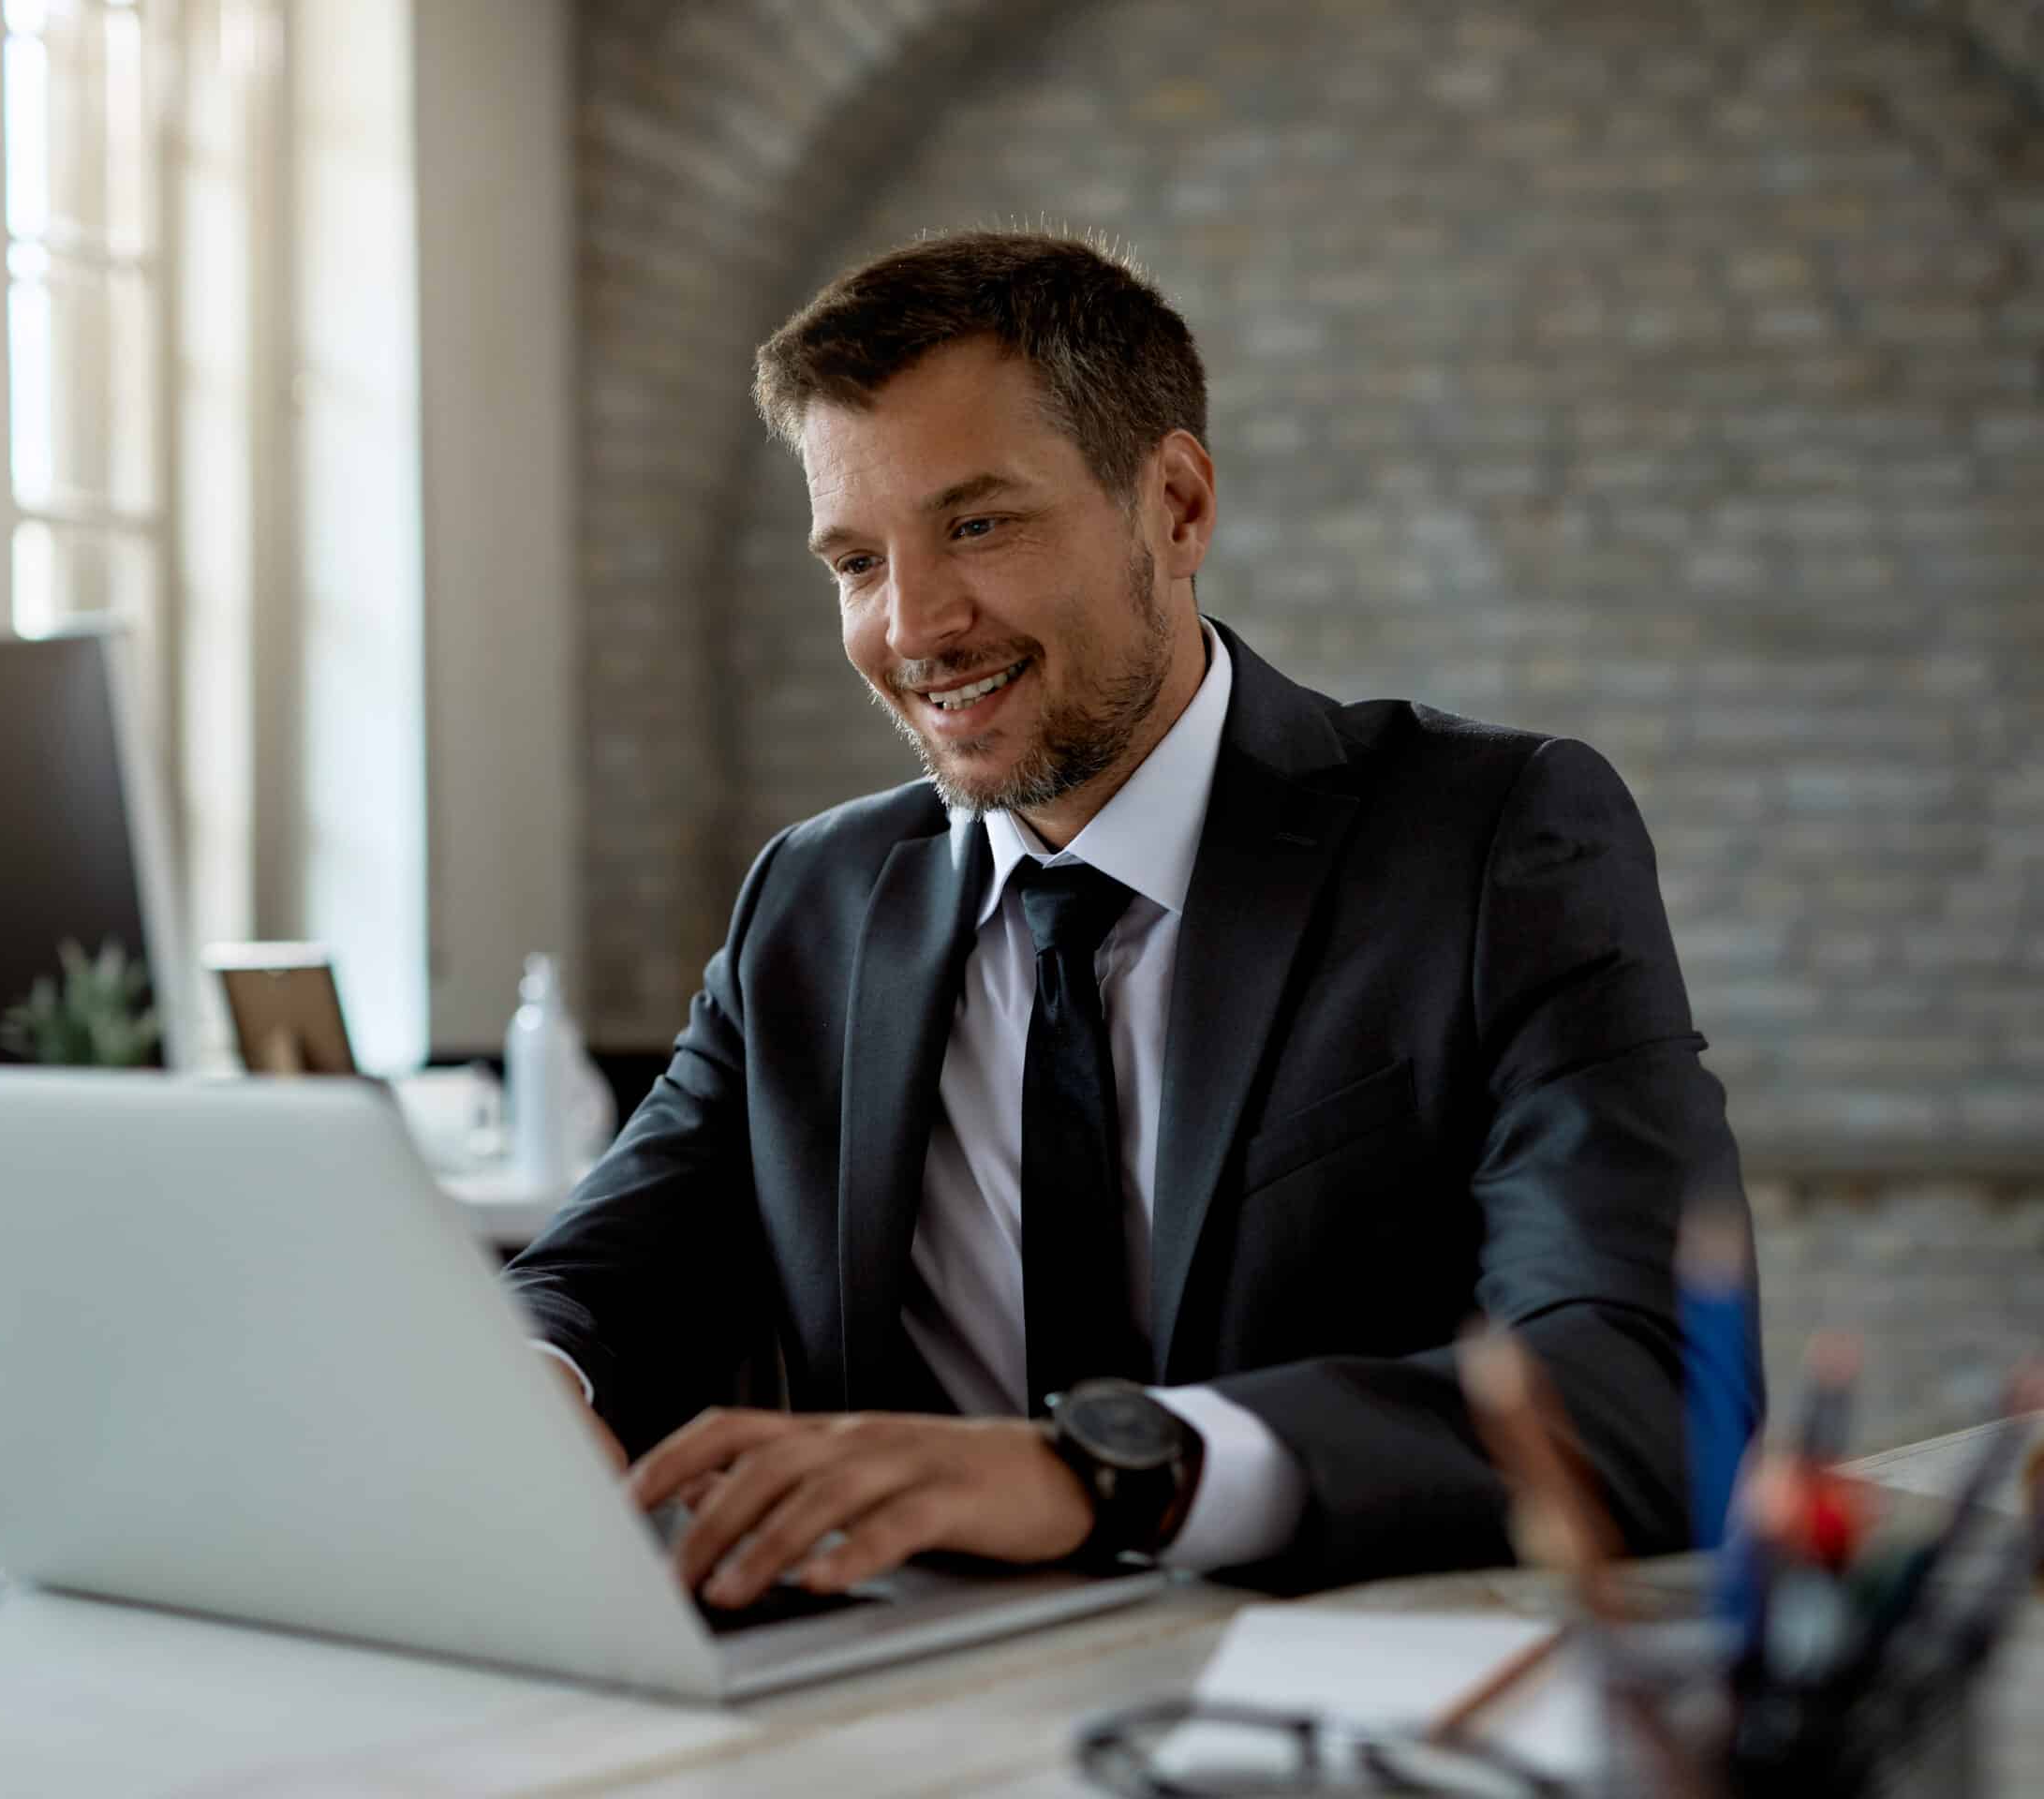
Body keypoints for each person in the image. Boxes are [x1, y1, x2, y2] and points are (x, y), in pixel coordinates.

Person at [507, 230, 1760, 1605]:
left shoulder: (1491, 840)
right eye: (856, 563)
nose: (914, 627)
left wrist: (1109, 1469)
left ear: (1174, 504)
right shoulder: (812, 900)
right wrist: (521, 1384)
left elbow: (1647, 1388)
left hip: (1321, 1703)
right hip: (888, 1705)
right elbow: (602, 1279)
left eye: (977, 524)